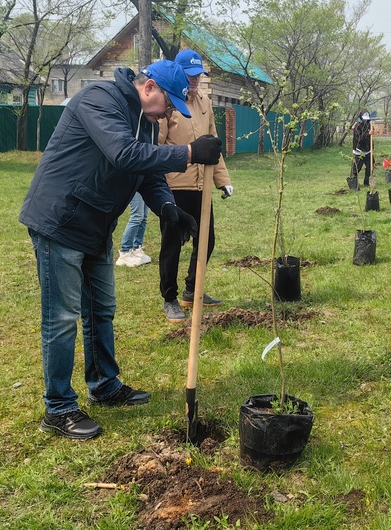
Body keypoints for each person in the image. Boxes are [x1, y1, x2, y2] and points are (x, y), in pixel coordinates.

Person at [20, 59, 223, 440]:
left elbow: (146, 173)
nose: (167, 114)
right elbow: (123, 155)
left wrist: (167, 208)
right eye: (168, 103)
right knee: (62, 317)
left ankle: (104, 384)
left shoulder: (144, 122)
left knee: (101, 309)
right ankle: (59, 407)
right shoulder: (100, 99)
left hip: (95, 223)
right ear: (149, 88)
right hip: (60, 219)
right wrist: (190, 153)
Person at [159, 49, 232, 322]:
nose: (194, 80)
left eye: (197, 75)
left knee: (206, 241)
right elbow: (157, 148)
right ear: (179, 74)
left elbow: (213, 145)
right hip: (175, 187)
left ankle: (193, 290)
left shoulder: (205, 102)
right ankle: (170, 298)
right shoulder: (169, 104)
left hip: (202, 187)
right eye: (189, 75)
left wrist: (222, 180)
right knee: (172, 244)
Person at [115, 193, 151, 267]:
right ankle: (125, 252)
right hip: (135, 185)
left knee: (143, 217)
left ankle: (136, 249)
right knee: (137, 216)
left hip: (145, 184)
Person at [350, 110, 372, 187]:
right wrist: (368, 134)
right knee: (356, 168)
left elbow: (370, 139)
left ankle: (367, 182)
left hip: (368, 151)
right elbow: (359, 138)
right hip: (359, 150)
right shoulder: (357, 126)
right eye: (364, 118)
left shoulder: (369, 125)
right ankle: (353, 182)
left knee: (370, 167)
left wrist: (372, 147)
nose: (365, 120)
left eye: (367, 118)